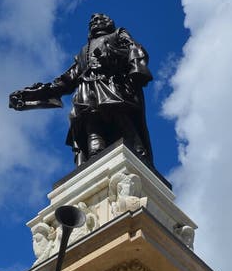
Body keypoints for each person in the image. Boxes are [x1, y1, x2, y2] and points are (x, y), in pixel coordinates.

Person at [9, 13, 153, 167]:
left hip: (111, 87)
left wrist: (113, 55)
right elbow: (67, 79)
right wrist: (34, 94)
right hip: (86, 93)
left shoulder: (117, 34)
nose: (94, 23)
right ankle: (94, 161)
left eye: (99, 20)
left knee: (123, 122)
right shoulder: (84, 51)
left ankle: (139, 155)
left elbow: (134, 49)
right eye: (92, 21)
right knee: (92, 128)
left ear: (108, 22)